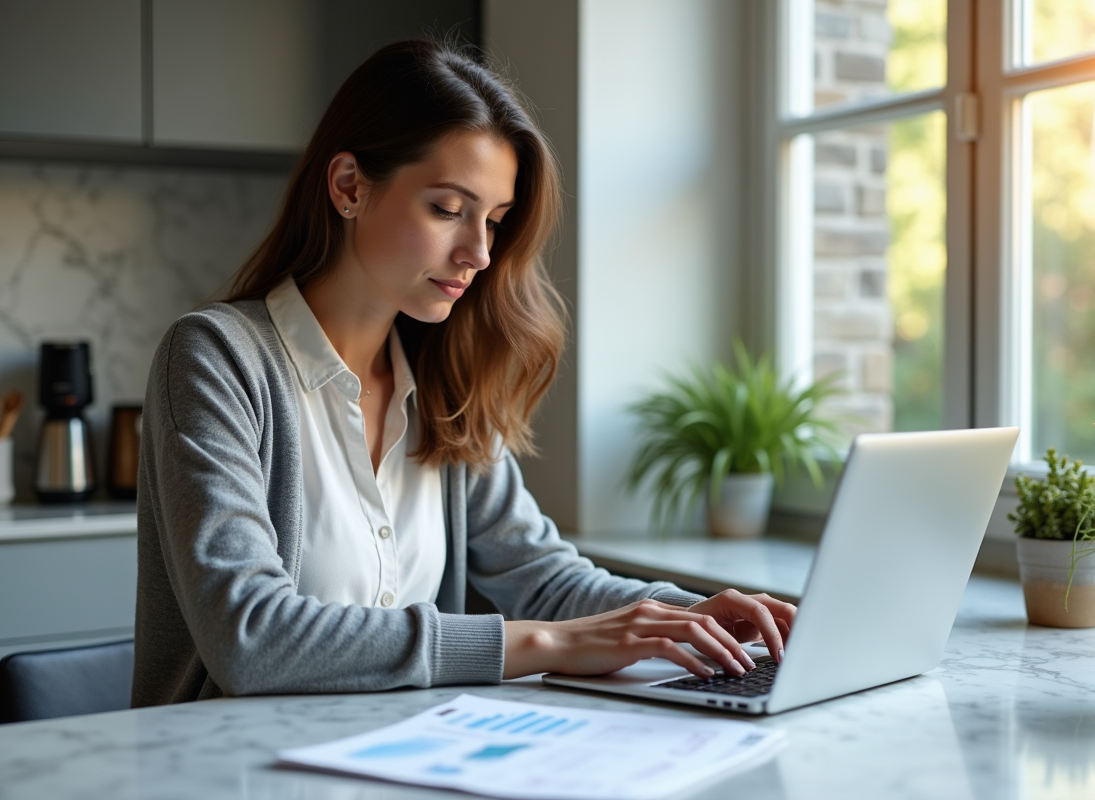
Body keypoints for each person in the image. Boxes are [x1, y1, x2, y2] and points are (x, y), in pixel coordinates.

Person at [132, 40, 795, 707]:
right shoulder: (216, 358)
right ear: (349, 187)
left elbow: (543, 578)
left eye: (495, 221)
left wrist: (696, 615)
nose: (478, 252)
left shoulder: (444, 380)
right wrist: (544, 644)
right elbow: (248, 636)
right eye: (448, 210)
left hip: (400, 756)